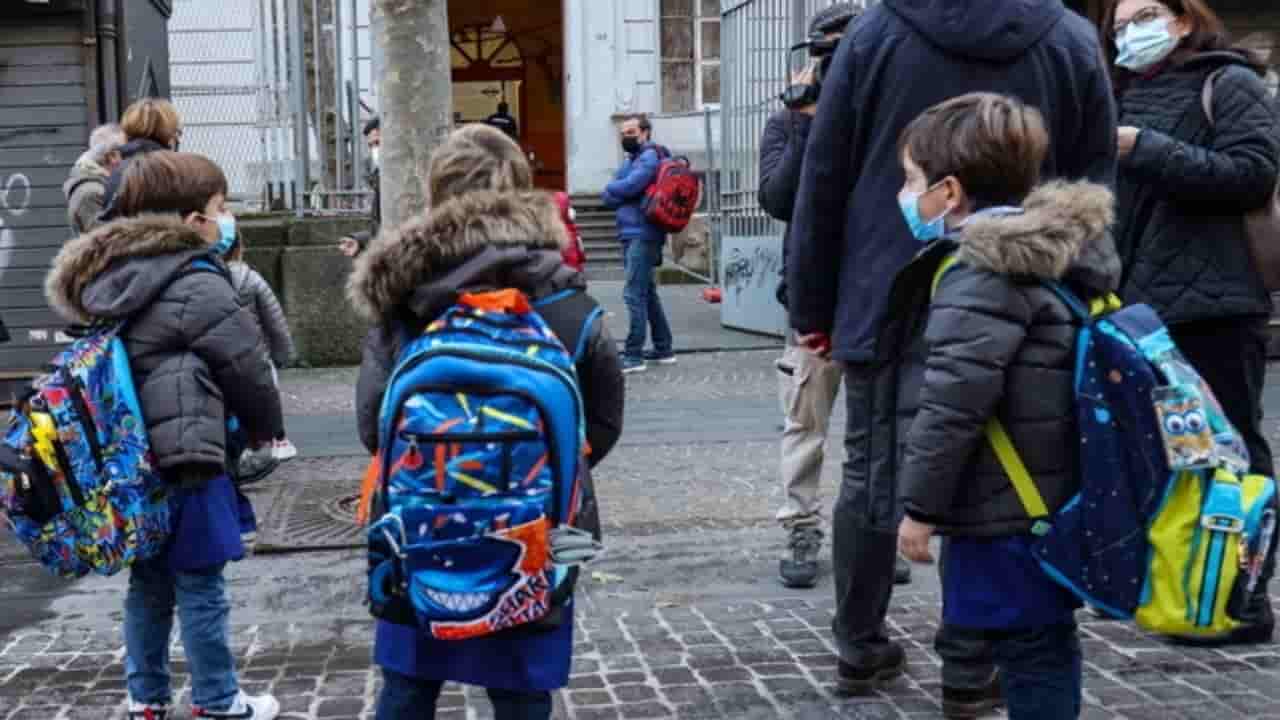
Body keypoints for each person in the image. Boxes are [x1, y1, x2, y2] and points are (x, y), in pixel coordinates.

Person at [785, 0, 1118, 706]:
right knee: (1001, 470)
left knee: (873, 473)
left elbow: (826, 172)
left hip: (883, 287)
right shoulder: (1069, 37)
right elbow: (1096, 177)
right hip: (1024, 280)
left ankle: (860, 647)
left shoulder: (877, 30)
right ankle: (971, 665)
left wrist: (811, 303)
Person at [350, 124, 624, 720]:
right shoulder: (567, 300)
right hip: (533, 536)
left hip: (419, 529)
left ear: (434, 195)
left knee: (407, 688)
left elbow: (374, 426)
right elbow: (601, 423)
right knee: (523, 692)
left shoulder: (401, 299)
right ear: (524, 191)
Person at [894, 92, 1117, 720]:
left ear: (951, 191)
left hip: (1005, 507)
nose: (907, 195)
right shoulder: (1052, 255)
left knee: (1027, 651)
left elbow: (952, 405)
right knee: (1044, 642)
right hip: (1050, 492)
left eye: (913, 181)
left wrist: (919, 509)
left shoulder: (980, 273)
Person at [45, 151, 283, 720]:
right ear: (190, 218)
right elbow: (245, 365)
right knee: (201, 584)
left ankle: (146, 698)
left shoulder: (110, 275)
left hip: (126, 459)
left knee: (149, 585)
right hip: (189, 455)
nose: (224, 221)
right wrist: (264, 432)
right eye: (218, 209)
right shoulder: (196, 279)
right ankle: (219, 700)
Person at [1103, 0, 1280, 644]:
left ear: (1183, 19)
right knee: (1161, 457)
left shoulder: (1228, 82)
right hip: (1138, 310)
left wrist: (1146, 148)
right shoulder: (1117, 92)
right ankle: (1177, 585)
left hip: (1216, 305)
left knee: (1230, 452)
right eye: (1118, 25)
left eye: (1144, 15)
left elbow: (1252, 172)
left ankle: (1242, 596)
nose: (1129, 32)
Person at [759, 3, 912, 592]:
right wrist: (805, 120)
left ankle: (878, 531)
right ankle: (801, 526)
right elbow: (777, 197)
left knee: (879, 426)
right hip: (814, 297)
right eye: (829, 57)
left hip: (880, 296)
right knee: (805, 423)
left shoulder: (891, 118)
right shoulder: (790, 122)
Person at [602, 113, 674, 374]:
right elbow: (613, 193)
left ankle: (633, 355)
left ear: (645, 132)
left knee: (634, 293)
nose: (626, 137)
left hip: (643, 233)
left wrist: (615, 190)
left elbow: (629, 186)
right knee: (647, 292)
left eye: (631, 132)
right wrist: (616, 190)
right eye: (623, 133)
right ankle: (664, 348)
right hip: (633, 232)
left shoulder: (650, 157)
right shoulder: (632, 159)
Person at [221, 235, 298, 461]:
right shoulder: (251, 279)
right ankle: (279, 439)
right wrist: (284, 355)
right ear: (240, 249)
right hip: (255, 352)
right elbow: (275, 321)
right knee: (268, 393)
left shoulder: (205, 279)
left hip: (220, 353)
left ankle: (240, 445)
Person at [99, 98, 184, 223]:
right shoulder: (168, 169)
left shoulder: (120, 168)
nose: (178, 137)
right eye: (177, 131)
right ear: (169, 132)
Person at [64, 123, 126, 235]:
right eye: (125, 151)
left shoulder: (96, 186)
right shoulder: (91, 193)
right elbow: (106, 242)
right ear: (112, 156)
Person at [341, 116, 383, 260]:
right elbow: (382, 229)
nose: (374, 150)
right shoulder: (380, 177)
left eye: (378, 143)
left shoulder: (403, 179)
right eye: (371, 145)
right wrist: (359, 241)